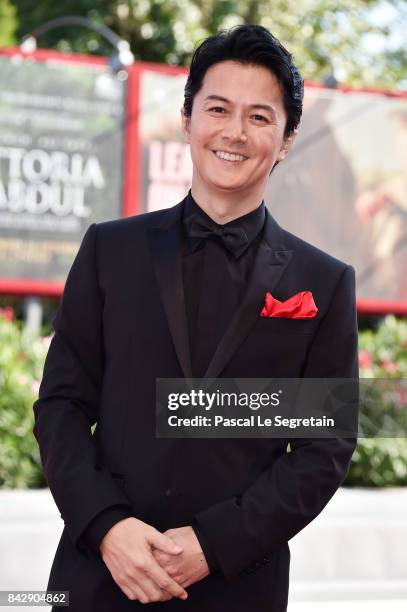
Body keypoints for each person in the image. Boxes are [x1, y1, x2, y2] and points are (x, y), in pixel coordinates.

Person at [33, 25, 359, 612]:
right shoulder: (110, 250)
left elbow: (322, 449)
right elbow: (60, 404)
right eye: (218, 109)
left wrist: (215, 543)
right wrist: (107, 526)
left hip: (238, 584)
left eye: (260, 117)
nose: (234, 132)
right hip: (97, 577)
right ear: (187, 120)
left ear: (286, 141)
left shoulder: (324, 283)